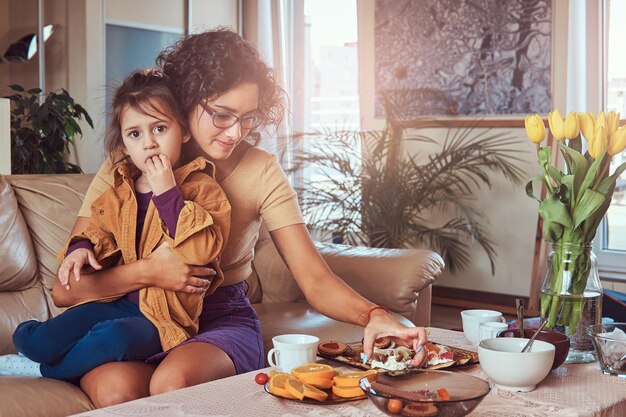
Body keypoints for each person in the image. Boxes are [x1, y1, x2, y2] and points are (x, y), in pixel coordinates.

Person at [50, 28, 429, 407]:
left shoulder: (261, 170)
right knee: (116, 392)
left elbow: (313, 279)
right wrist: (149, 272)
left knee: (171, 383)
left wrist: (375, 315)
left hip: (218, 319)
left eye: (248, 118)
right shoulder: (128, 165)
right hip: (135, 316)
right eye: (221, 115)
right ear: (186, 100)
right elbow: (65, 290)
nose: (235, 132)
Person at [0, 69, 230, 383]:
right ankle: (34, 348)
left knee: (113, 338)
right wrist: (81, 248)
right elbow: (97, 229)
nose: (149, 143)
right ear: (123, 145)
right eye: (135, 134)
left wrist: (166, 193)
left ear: (184, 132)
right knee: (34, 339)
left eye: (159, 128)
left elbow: (201, 249)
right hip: (116, 302)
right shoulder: (121, 190)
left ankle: (46, 370)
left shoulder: (202, 187)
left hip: (163, 319)